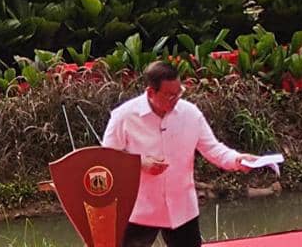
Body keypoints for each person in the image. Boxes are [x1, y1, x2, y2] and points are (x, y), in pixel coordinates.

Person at [102, 61, 259, 247]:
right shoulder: (124, 116)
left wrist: (237, 159)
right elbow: (106, 159)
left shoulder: (190, 114)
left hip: (181, 206)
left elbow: (213, 148)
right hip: (138, 207)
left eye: (179, 92)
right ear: (151, 93)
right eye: (169, 95)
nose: (176, 99)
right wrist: (140, 163)